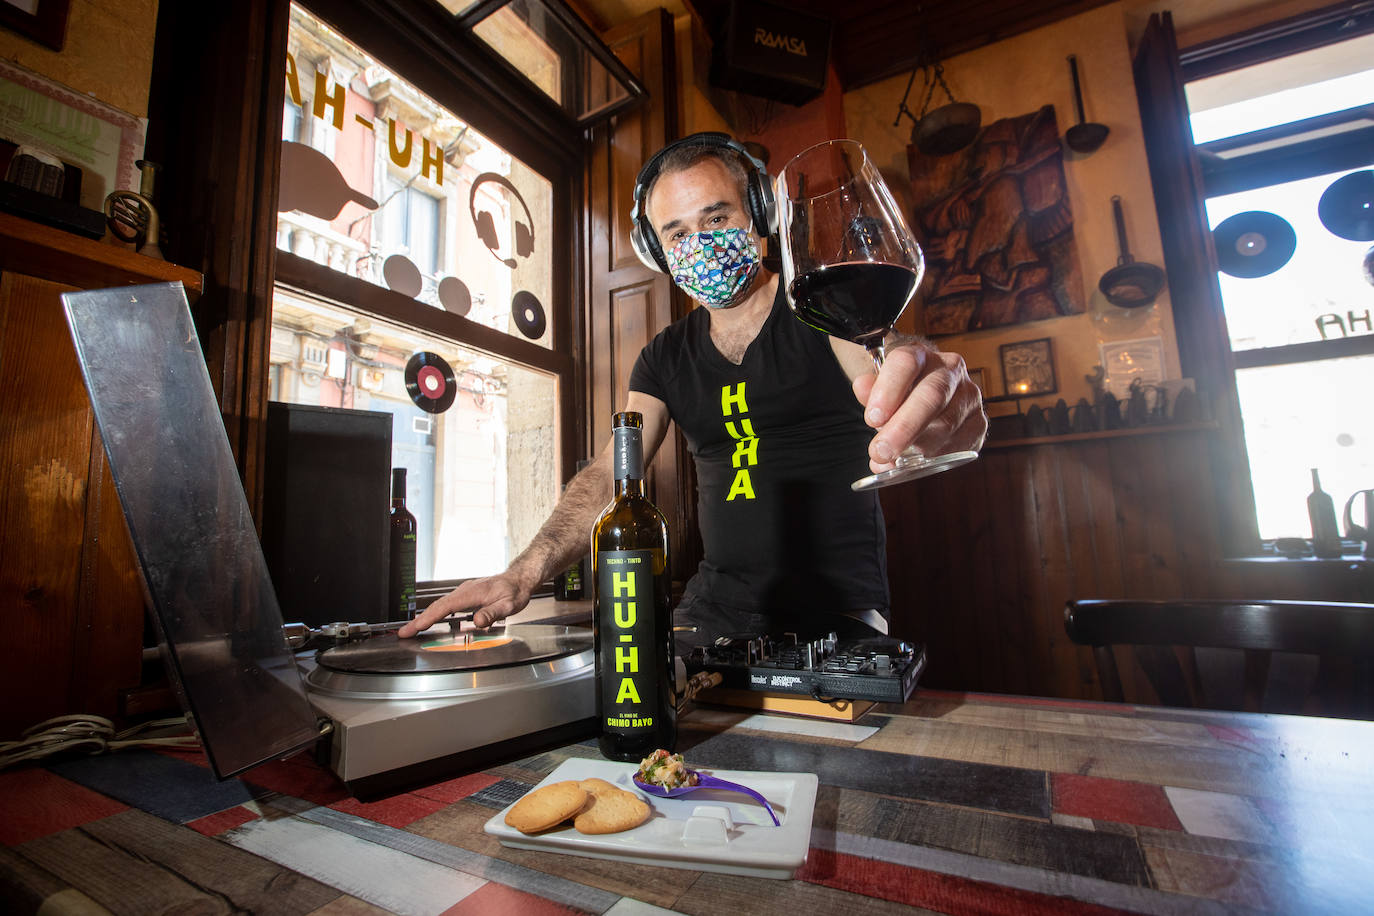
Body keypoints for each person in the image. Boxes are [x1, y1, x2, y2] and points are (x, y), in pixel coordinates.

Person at [399, 133, 985, 647]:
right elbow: (607, 476)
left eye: (716, 218)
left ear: (758, 220)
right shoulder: (662, 358)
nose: (697, 242)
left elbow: (893, 362)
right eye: (675, 232)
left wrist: (929, 381)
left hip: (839, 611)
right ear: (659, 253)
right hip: (712, 610)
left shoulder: (817, 308)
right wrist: (520, 575)